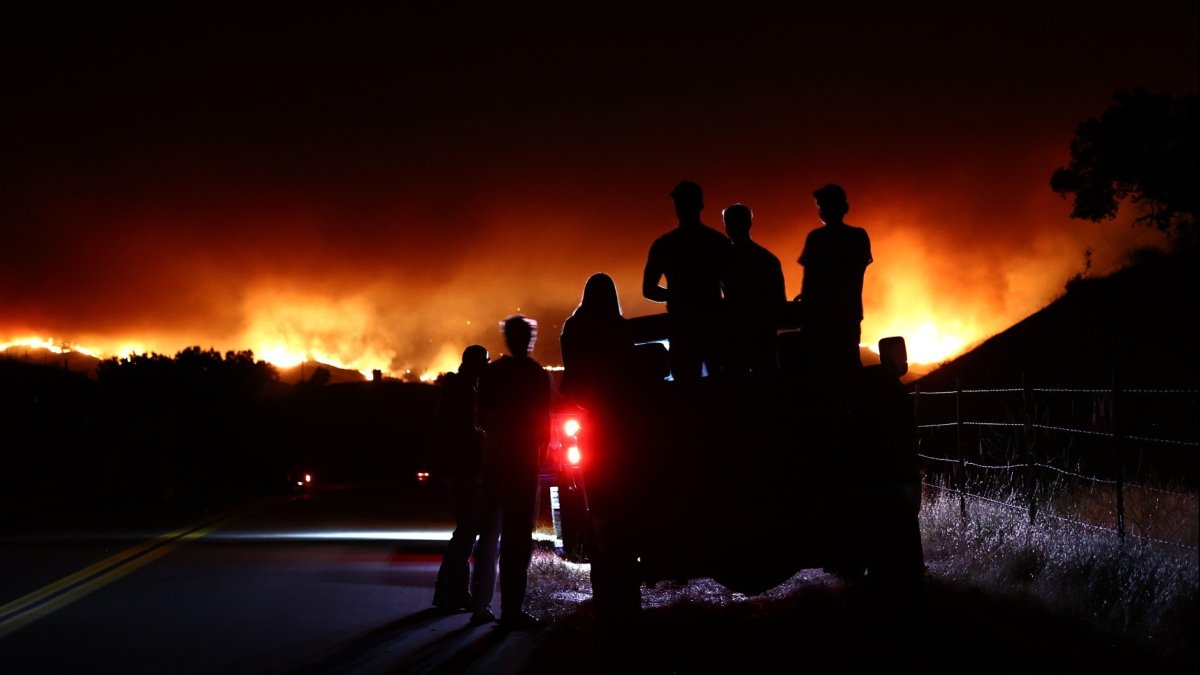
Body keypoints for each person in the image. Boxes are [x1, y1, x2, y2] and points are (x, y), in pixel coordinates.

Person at [559, 273, 643, 640]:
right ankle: (627, 602)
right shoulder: (619, 331)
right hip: (624, 433)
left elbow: (570, 382)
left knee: (598, 517)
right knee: (624, 513)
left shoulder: (574, 331)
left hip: (595, 432)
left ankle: (608, 605)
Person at [470, 315, 552, 630]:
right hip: (522, 464)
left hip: (495, 462)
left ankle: (481, 606)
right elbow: (544, 424)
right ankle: (511, 611)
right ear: (528, 338)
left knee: (490, 534)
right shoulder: (535, 374)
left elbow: (481, 418)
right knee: (517, 538)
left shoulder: (494, 373)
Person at [642, 180, 733, 382]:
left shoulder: (664, 245)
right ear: (700, 205)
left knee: (686, 387)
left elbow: (648, 290)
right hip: (714, 325)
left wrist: (676, 296)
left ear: (676, 207)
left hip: (682, 327)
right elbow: (733, 287)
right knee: (722, 385)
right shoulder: (717, 242)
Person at [431, 344, 489, 612]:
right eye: (484, 362)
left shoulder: (460, 388)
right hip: (463, 469)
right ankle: (452, 592)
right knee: (467, 529)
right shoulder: (464, 391)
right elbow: (464, 431)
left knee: (466, 530)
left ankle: (450, 591)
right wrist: (484, 438)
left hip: (458, 468)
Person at [796, 183, 873, 376]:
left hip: (820, 322)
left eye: (821, 206)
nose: (821, 211)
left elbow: (810, 281)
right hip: (848, 317)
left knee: (821, 373)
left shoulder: (817, 238)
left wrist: (805, 309)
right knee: (849, 370)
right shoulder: (859, 237)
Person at [721, 203, 787, 376]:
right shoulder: (767, 259)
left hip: (734, 334)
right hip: (762, 333)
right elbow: (779, 301)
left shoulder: (723, 261)